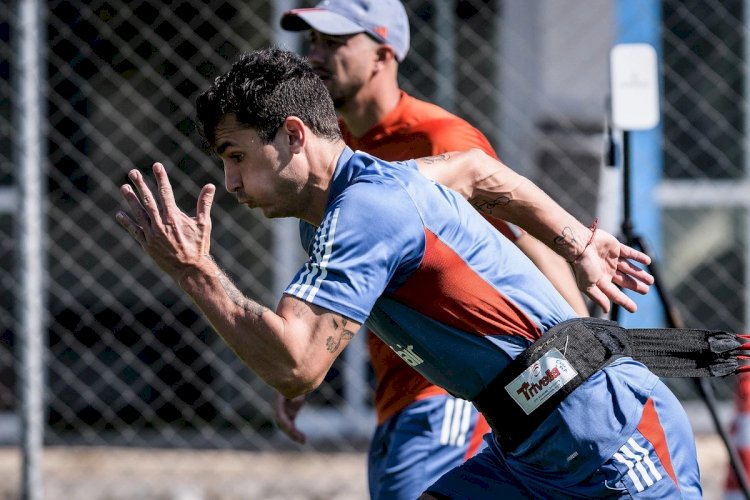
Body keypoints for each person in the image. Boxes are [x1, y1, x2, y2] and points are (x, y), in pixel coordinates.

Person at [115, 48, 701, 498]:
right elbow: (474, 172)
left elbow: (297, 364)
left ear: (294, 135)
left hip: (605, 428)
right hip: (530, 445)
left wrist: (193, 270)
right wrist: (578, 242)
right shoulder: (366, 193)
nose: (232, 182)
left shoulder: (365, 209)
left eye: (236, 155)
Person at [277, 2, 589, 497]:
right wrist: (310, 360)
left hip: (449, 392)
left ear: (383, 54)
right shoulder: (335, 147)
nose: (315, 55)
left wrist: (585, 348)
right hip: (396, 394)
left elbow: (525, 233)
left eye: (334, 43)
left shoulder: (439, 137)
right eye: (312, 41)